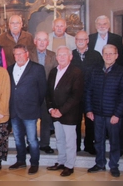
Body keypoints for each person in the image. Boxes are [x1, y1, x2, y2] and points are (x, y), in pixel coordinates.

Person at [85, 44, 123, 178]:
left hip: (113, 115)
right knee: (98, 140)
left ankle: (114, 165)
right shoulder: (95, 70)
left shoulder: (122, 72)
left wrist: (117, 114)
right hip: (97, 113)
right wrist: (88, 110)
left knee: (114, 142)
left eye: (111, 54)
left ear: (116, 56)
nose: (108, 56)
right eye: (106, 53)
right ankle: (100, 163)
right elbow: (88, 91)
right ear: (102, 55)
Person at [7, 44, 47, 175]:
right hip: (14, 110)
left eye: (20, 54)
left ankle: (34, 163)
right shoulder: (9, 68)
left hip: (30, 111)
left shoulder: (37, 69)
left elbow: (42, 91)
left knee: (32, 140)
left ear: (27, 54)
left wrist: (35, 105)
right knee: (18, 139)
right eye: (16, 54)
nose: (18, 57)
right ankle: (21, 161)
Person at [46, 46, 84, 177]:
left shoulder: (76, 72)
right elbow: (49, 93)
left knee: (70, 141)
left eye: (64, 55)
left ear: (70, 57)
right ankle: (61, 161)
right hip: (55, 113)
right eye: (59, 55)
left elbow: (76, 96)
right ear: (56, 57)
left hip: (69, 114)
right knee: (59, 140)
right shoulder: (53, 72)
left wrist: (61, 111)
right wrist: (51, 109)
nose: (61, 57)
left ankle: (69, 165)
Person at [70, 30, 103, 155]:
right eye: (78, 39)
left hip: (91, 93)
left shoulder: (96, 55)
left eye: (83, 39)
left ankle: (90, 145)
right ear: (75, 41)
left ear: (88, 41)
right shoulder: (71, 55)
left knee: (90, 121)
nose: (81, 42)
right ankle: (76, 145)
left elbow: (100, 73)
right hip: (75, 94)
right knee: (75, 120)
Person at [29, 31, 58, 154]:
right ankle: (31, 143)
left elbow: (56, 74)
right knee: (31, 120)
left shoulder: (53, 55)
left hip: (47, 93)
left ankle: (45, 144)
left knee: (46, 120)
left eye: (44, 40)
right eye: (39, 40)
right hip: (31, 93)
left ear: (48, 42)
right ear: (35, 41)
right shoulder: (28, 54)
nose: (41, 42)